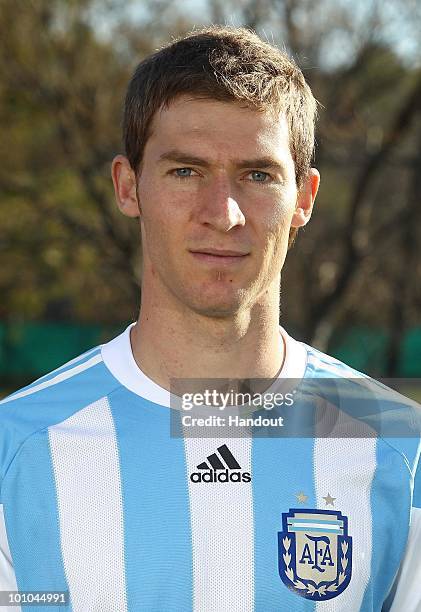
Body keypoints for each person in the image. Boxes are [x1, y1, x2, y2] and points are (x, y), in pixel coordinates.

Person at [0, 25, 420, 612]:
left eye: (257, 175)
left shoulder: (400, 443)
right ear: (128, 187)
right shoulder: (14, 446)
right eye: (185, 171)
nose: (222, 214)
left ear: (304, 198)